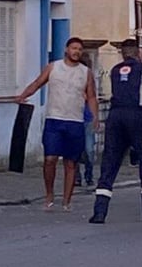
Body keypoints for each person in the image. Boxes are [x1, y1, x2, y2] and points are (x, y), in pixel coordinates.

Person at [89, 38, 142, 224]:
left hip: (115, 117)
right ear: (138, 53)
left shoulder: (115, 71)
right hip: (136, 117)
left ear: (122, 54)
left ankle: (99, 213)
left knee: (109, 163)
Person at [16, 37, 100, 212]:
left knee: (71, 163)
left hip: (75, 121)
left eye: (79, 49)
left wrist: (95, 117)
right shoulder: (53, 67)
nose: (76, 52)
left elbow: (91, 96)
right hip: (54, 119)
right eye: (74, 48)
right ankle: (49, 195)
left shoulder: (85, 72)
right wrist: (24, 95)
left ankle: (66, 201)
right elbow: (38, 83)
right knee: (50, 159)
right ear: (66, 50)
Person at [73, 52, 98, 189]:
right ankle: (76, 177)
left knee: (89, 150)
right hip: (73, 117)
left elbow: (93, 98)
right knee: (74, 150)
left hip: (87, 118)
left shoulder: (90, 80)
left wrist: (95, 117)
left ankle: (89, 175)